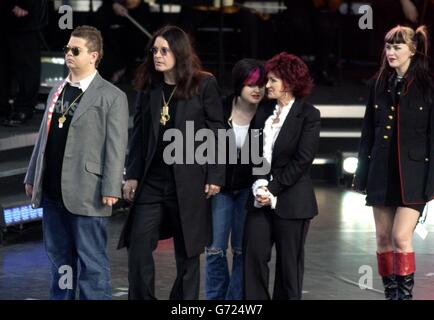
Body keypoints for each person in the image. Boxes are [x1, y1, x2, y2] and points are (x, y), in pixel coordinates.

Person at [118, 25, 226, 300]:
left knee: (188, 252)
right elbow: (139, 134)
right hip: (152, 182)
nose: (157, 55)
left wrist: (215, 174)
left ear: (179, 52)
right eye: (154, 50)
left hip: (189, 182)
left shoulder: (204, 84)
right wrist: (132, 174)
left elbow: (216, 133)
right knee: (138, 245)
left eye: (164, 50)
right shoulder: (149, 86)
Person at [24, 25, 129, 299]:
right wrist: (31, 175)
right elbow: (43, 138)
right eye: (67, 49)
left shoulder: (111, 96)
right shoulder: (57, 90)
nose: (68, 54)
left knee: (92, 264)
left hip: (87, 192)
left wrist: (111, 187)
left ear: (94, 56)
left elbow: (116, 146)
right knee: (60, 261)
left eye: (75, 50)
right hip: (52, 191)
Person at [353, 25, 433, 300]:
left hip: (413, 174)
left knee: (401, 237)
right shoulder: (378, 84)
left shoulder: (427, 86)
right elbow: (368, 133)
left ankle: (405, 297)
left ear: (412, 50)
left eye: (397, 47)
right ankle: (392, 295)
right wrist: (361, 176)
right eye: (388, 46)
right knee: (383, 239)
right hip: (381, 172)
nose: (391, 52)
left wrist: (431, 183)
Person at [243, 52, 320, 300]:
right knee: (253, 257)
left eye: (273, 80)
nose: (267, 85)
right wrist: (259, 185)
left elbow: (302, 160)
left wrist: (273, 189)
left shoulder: (309, 114)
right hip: (260, 196)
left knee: (289, 268)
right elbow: (254, 153)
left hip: (292, 200)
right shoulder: (262, 112)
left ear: (288, 83)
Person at [205, 58, 268, 300]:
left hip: (248, 189)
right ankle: (215, 300)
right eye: (251, 84)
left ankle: (235, 301)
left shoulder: (266, 116)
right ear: (238, 85)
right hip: (219, 188)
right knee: (215, 249)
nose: (257, 90)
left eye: (261, 84)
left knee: (242, 250)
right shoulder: (218, 109)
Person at [0, 0, 48, 125]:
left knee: (26, 66)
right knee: (6, 67)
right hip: (11, 16)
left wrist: (23, 5)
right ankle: (8, 108)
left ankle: (24, 108)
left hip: (24, 17)